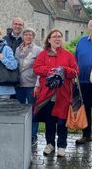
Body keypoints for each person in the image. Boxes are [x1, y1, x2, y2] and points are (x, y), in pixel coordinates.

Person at [33, 29, 78, 157]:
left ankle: (62, 145)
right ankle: (50, 144)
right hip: (48, 94)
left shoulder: (68, 55)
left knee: (62, 121)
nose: (57, 39)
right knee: (49, 121)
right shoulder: (43, 54)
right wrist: (51, 70)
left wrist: (63, 70)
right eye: (54, 37)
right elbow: (36, 68)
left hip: (63, 94)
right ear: (49, 40)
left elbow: (75, 71)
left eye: (59, 36)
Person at [15, 27, 43, 146]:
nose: (28, 36)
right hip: (19, 84)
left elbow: (40, 70)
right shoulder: (18, 49)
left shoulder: (38, 50)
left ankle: (33, 135)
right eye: (26, 34)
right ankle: (21, 133)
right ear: (23, 36)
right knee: (20, 110)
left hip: (32, 84)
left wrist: (38, 85)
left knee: (33, 110)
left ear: (33, 37)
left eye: (30, 35)